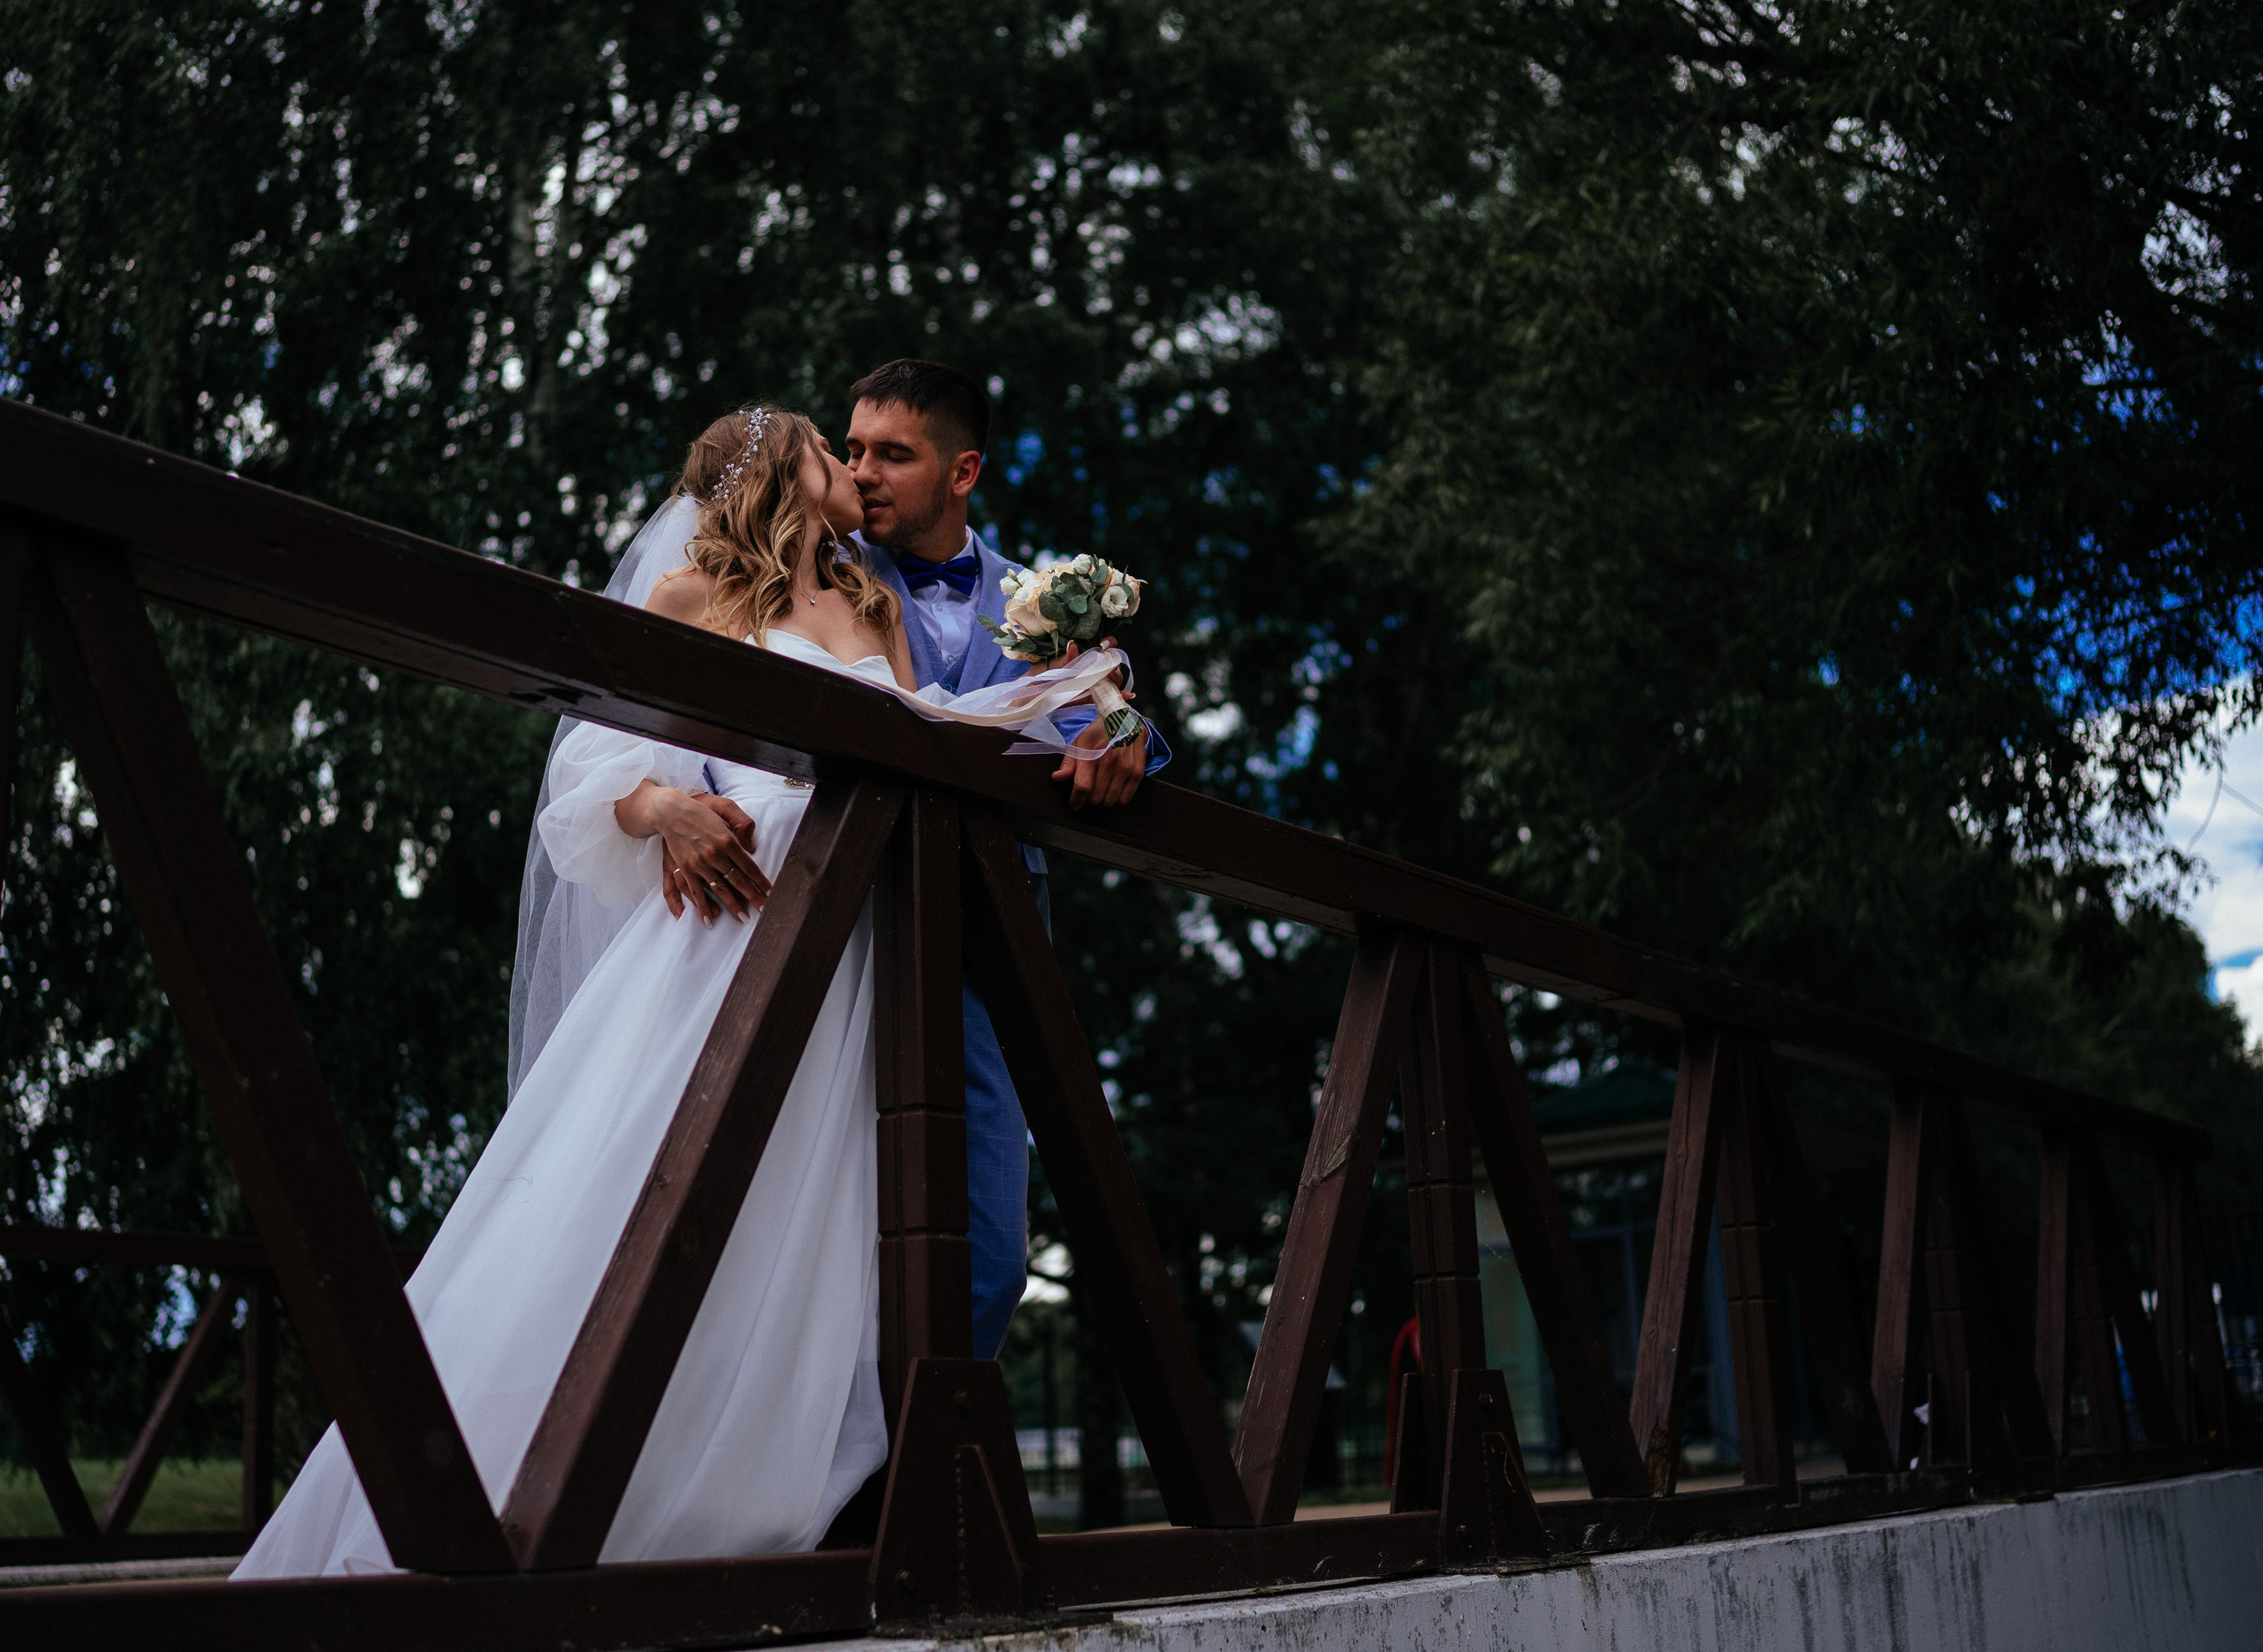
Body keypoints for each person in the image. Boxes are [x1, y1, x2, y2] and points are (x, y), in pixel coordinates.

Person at [235, 401, 1098, 1575]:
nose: (848, 467)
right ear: (779, 471)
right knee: (638, 1200)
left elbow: (929, 742)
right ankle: (496, 1502)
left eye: (869, 451)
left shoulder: (877, 607)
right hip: (732, 933)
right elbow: (592, 766)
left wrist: (1091, 687)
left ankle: (758, 1497)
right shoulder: (695, 596)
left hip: (858, 954)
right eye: (827, 447)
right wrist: (669, 809)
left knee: (821, 1229)